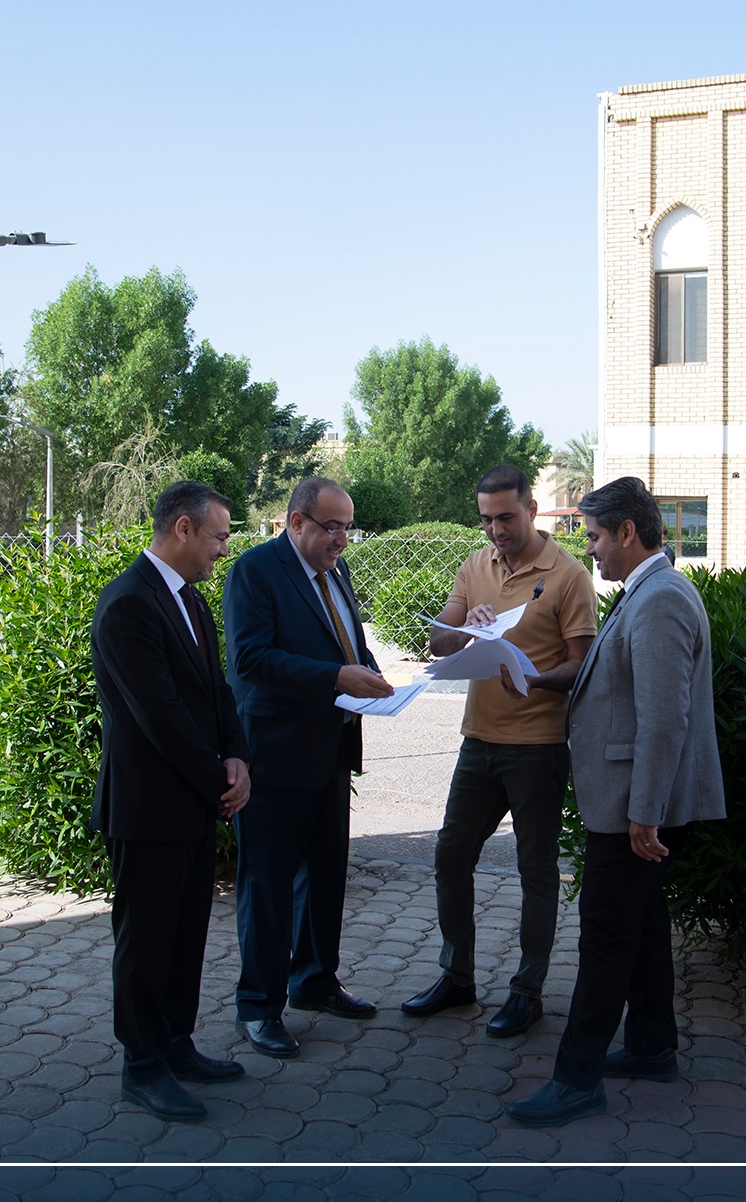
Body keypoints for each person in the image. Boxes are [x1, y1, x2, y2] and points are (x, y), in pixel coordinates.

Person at [505, 476, 727, 1127]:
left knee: (605, 937)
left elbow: (663, 720)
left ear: (628, 532)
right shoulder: (650, 591)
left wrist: (643, 813)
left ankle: (576, 1079)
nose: (591, 548)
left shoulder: (660, 600)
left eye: (597, 536)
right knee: (643, 922)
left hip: (634, 807)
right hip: (633, 802)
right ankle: (653, 1045)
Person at [401, 464, 596, 1039]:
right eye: (486, 519)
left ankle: (527, 991)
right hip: (478, 741)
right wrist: (468, 628)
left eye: (506, 517)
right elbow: (437, 640)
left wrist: (534, 680)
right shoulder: (475, 565)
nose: (496, 530)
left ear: (532, 509)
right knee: (450, 854)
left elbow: (583, 664)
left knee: (535, 869)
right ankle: (456, 977)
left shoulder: (568, 575)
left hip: (538, 748)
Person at [91, 481, 252, 1123]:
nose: (222, 549)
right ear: (182, 529)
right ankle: (143, 1066)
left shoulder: (189, 599)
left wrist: (236, 756)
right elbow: (158, 714)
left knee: (185, 935)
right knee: (147, 940)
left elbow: (216, 691)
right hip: (148, 807)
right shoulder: (129, 603)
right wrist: (220, 780)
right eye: (218, 536)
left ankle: (177, 1044)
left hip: (193, 800)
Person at [222, 476, 392, 1058]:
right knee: (267, 886)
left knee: (324, 878)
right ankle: (258, 1007)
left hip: (331, 754)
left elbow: (348, 644)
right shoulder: (255, 571)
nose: (342, 539)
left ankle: (315, 982)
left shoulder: (334, 571)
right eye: (332, 527)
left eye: (348, 528)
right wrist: (336, 678)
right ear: (296, 522)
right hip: (274, 757)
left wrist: (372, 674)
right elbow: (250, 658)